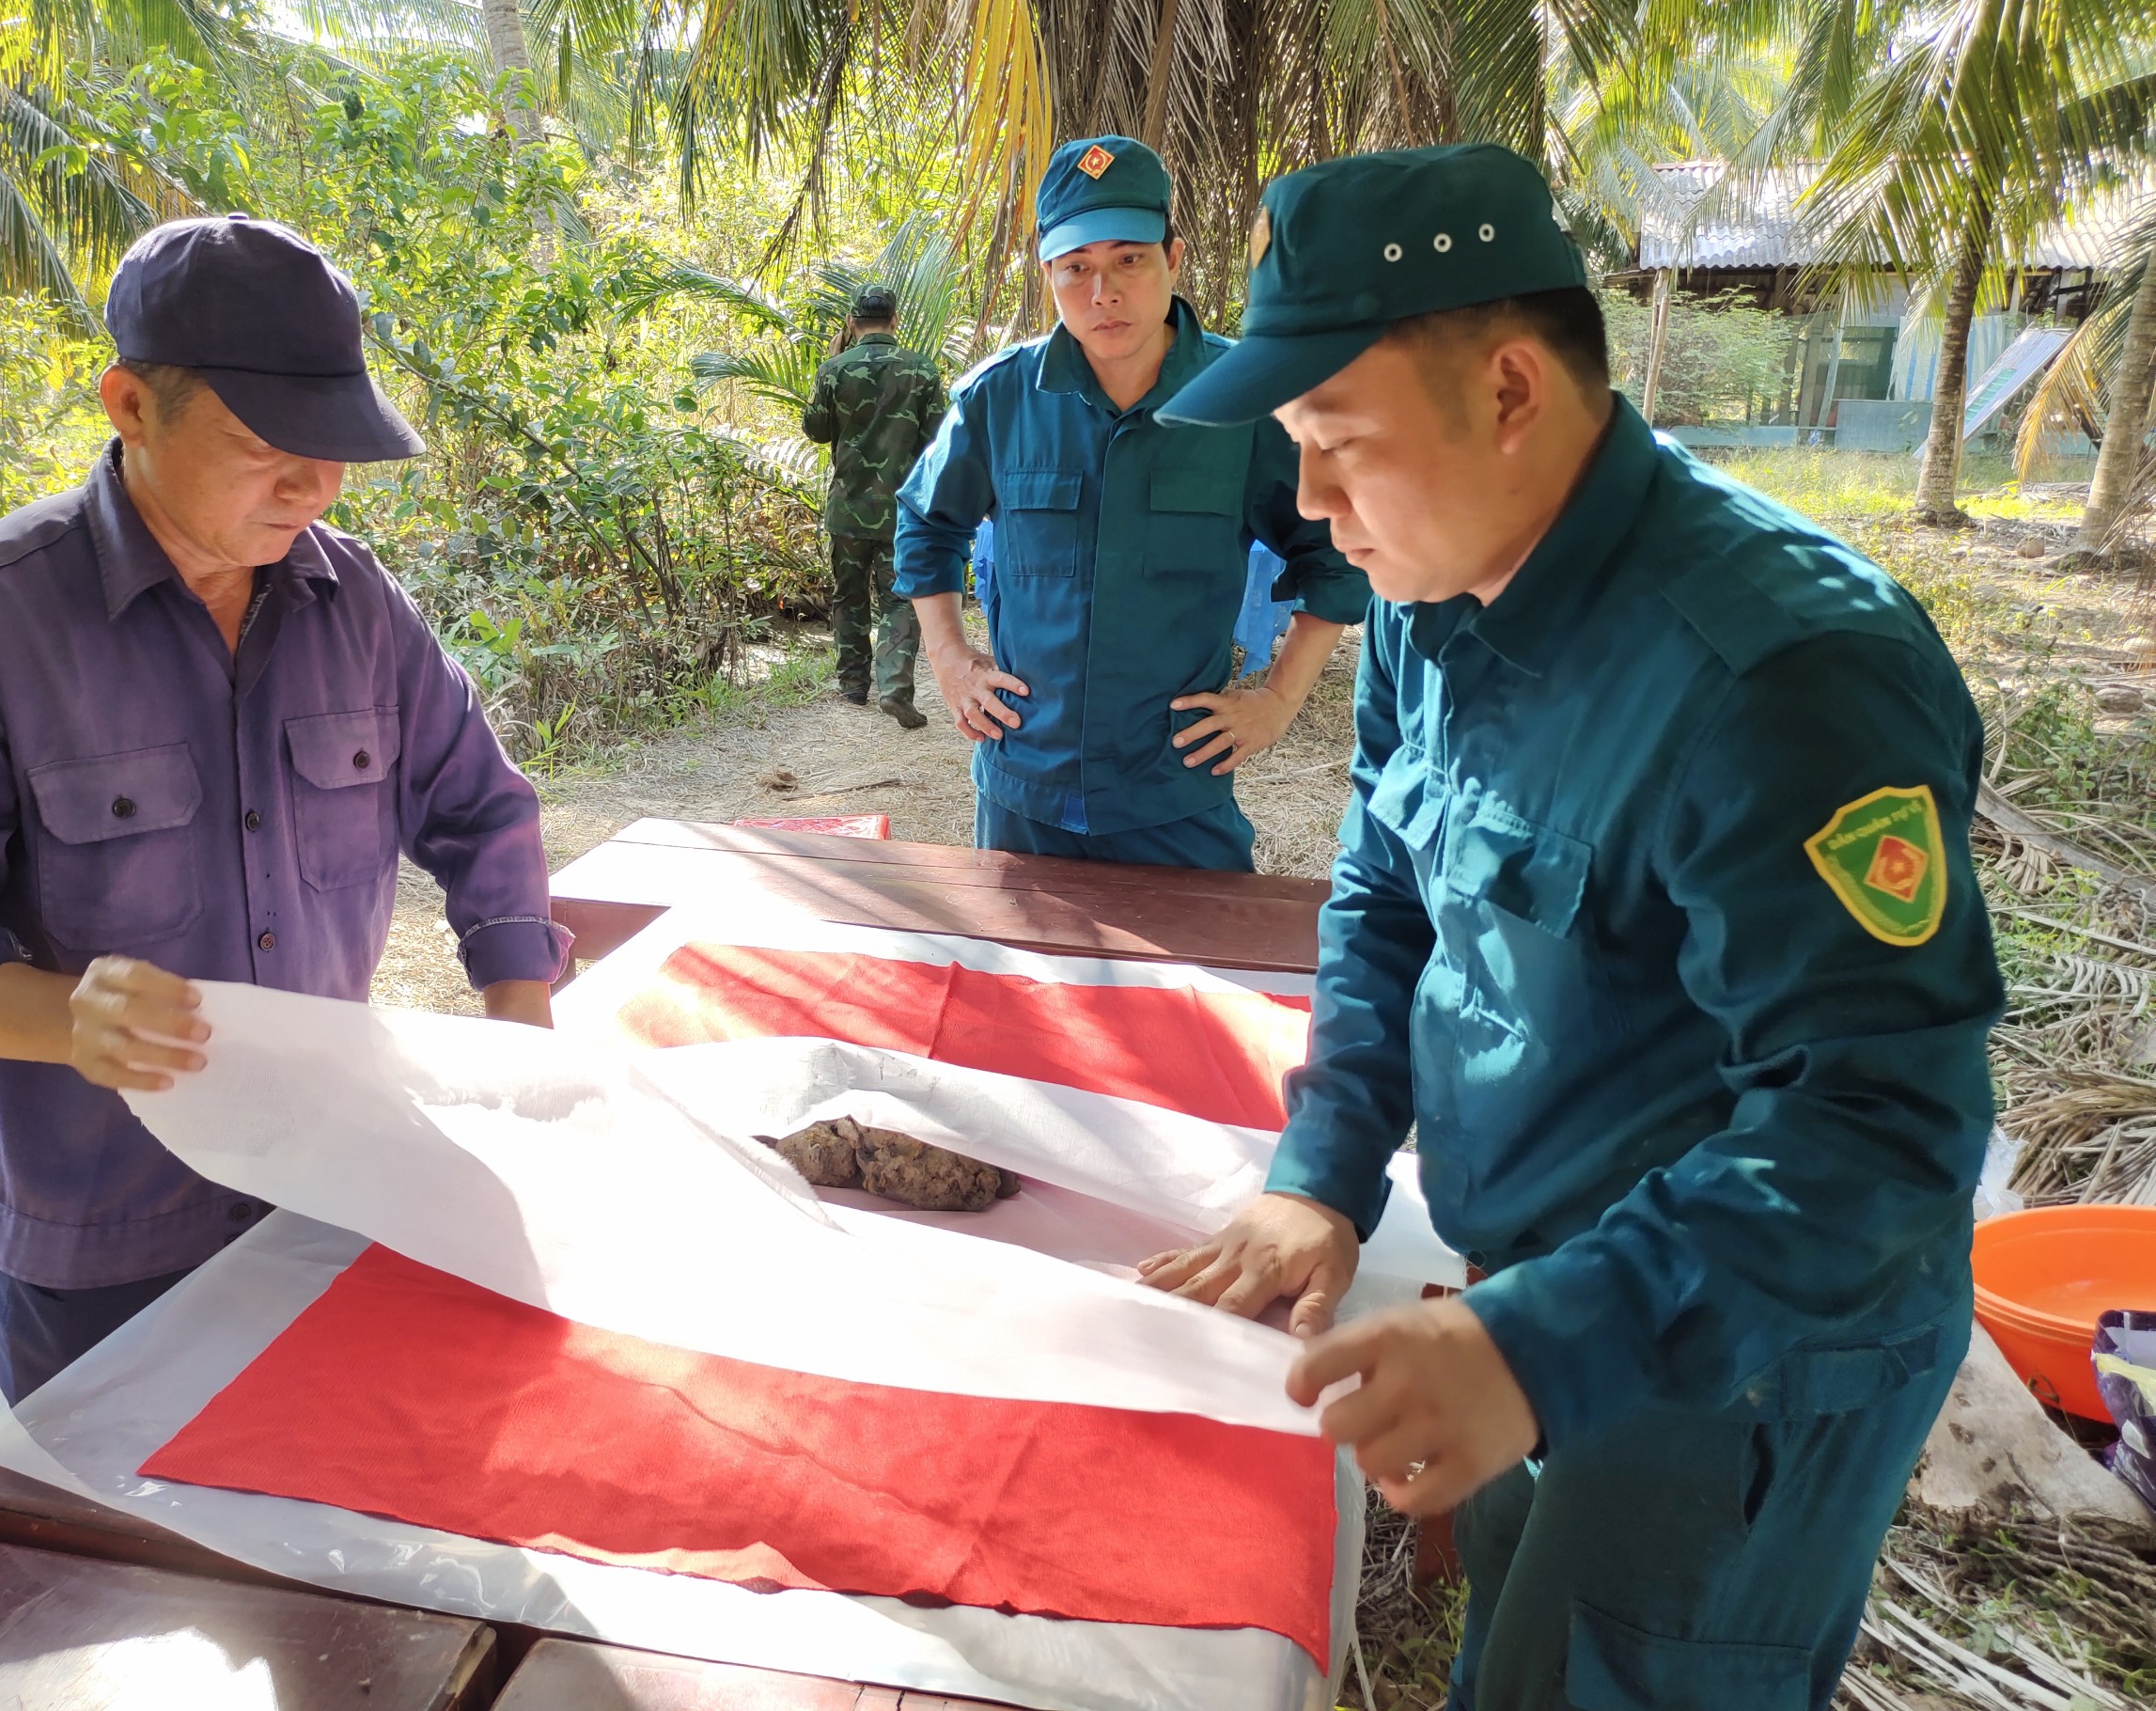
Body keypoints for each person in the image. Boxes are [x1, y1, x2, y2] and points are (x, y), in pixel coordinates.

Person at [1141, 145, 2002, 1709]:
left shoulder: (1783, 679)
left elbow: (1880, 1126)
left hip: (1746, 1344)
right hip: (1539, 1281)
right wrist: (1322, 1174)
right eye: (1296, 453)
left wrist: (1545, 1346)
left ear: (1514, 393)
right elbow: (1386, 888)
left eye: (1340, 447)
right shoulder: (1430, 589)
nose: (1318, 515)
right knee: (1522, 1651)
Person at [0, 216, 570, 1405]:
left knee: (336, 1519)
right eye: (267, 444)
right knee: (130, 1563)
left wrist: (519, 1016)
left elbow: (479, 807)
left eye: (333, 450)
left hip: (327, 1180)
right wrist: (67, 1018)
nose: (314, 488)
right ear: (130, 405)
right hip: (106, 1234)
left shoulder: (355, 604)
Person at [896, 136, 1369, 871]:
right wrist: (951, 658)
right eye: (1076, 268)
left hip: (1174, 795)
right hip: (1025, 791)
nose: (1102, 292)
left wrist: (1278, 702)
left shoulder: (1244, 403)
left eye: (1129, 260)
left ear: (1173, 258)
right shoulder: (999, 399)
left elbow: (1334, 552)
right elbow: (927, 523)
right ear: (1048, 272)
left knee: (1194, 984)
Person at [803, 284, 945, 730]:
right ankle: (895, 687)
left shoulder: (833, 369)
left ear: (852, 321)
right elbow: (941, 437)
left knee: (849, 593)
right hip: (903, 510)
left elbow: (816, 431)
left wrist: (835, 370)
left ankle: (852, 684)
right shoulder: (921, 370)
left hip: (847, 506)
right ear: (895, 319)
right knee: (901, 598)